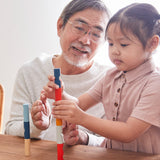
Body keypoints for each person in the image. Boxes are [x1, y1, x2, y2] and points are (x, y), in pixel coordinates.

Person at [42, 3, 160, 154]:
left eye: (123, 44)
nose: (115, 51)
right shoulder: (111, 76)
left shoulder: (155, 83)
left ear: (152, 43)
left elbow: (128, 132)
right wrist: (61, 95)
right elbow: (79, 104)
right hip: (110, 154)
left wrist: (82, 118)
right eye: (110, 43)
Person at [5, 0, 111, 142]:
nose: (85, 40)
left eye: (96, 35)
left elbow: (114, 142)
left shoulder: (110, 80)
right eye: (79, 28)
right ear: (60, 26)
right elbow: (10, 129)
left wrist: (83, 138)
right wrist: (36, 126)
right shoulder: (31, 71)